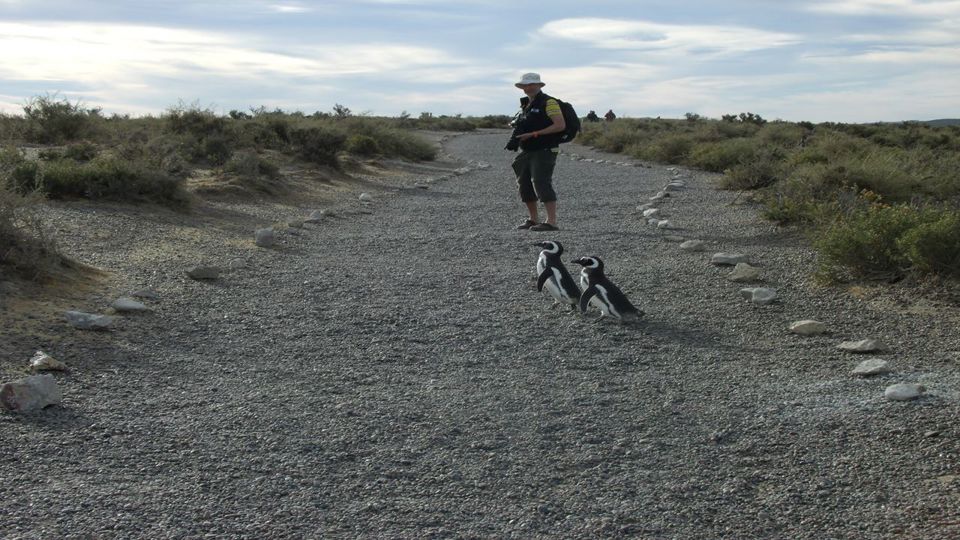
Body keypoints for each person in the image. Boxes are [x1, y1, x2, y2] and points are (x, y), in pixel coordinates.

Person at [505, 72, 566, 232]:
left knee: (541, 182)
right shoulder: (527, 105)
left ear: (539, 85)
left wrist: (534, 134)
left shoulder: (549, 102)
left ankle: (551, 222)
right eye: (525, 85)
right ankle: (533, 219)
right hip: (528, 150)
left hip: (545, 149)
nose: (528, 87)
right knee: (524, 183)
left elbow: (560, 125)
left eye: (531, 84)